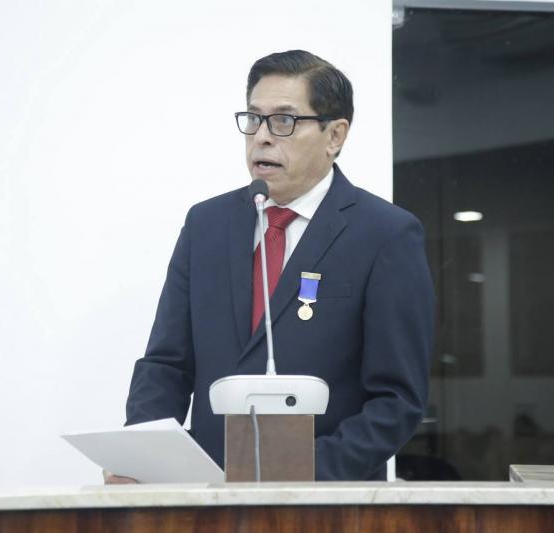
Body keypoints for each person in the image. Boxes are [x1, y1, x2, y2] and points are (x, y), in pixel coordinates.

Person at [114, 50, 434, 482]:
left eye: (284, 120)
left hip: (325, 500)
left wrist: (303, 471)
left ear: (334, 135)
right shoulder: (207, 224)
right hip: (209, 495)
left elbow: (397, 400)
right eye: (254, 119)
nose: (262, 137)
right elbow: (166, 365)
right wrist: (142, 456)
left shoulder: (385, 234)